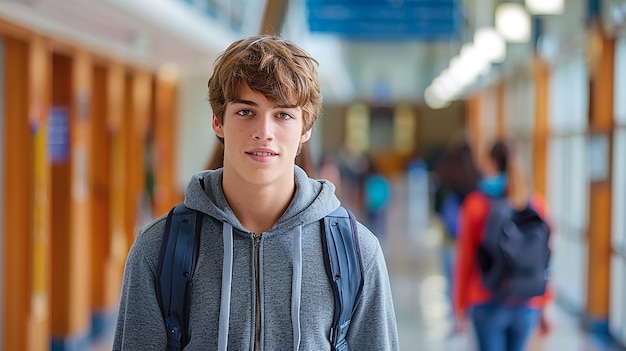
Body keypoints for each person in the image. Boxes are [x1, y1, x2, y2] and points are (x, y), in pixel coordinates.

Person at [113, 35, 399, 350]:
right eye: (246, 112)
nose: (264, 131)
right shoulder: (158, 249)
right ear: (217, 121)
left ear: (306, 129)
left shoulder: (355, 253)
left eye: (283, 115)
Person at [453, 140, 552, 351]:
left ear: (491, 163)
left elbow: (466, 259)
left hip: (485, 297)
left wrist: (459, 307)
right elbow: (544, 258)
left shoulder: (476, 205)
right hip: (526, 301)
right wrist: (544, 305)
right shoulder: (535, 204)